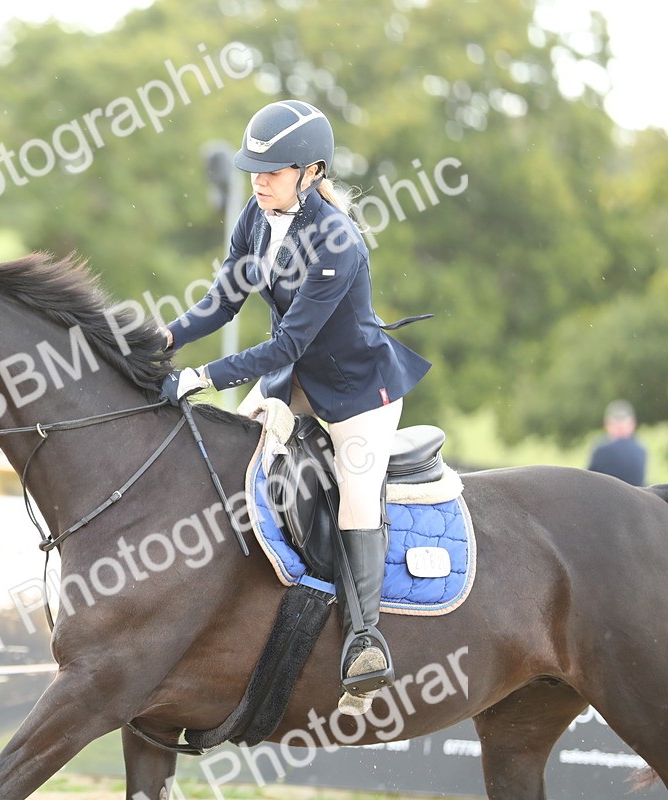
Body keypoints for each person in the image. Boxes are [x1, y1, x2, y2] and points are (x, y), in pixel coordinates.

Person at [158, 99, 431, 714]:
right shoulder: (256, 218)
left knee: (358, 495)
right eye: (255, 167)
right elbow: (225, 301)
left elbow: (288, 341)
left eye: (273, 170)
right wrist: (168, 338)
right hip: (295, 376)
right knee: (241, 449)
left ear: (310, 172)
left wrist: (202, 374)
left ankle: (364, 641)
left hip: (359, 391)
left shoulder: (338, 241)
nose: (259, 179)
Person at [587, 400, 647, 486]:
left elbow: (588, 479)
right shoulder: (641, 450)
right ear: (632, 424)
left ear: (607, 424)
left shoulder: (601, 450)